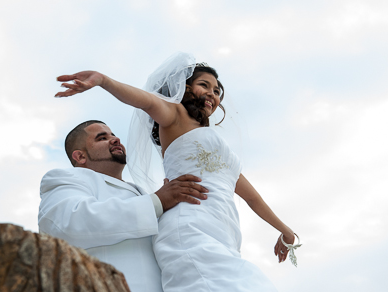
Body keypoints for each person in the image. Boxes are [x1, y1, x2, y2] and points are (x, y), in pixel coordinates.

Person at [55, 52, 301, 291]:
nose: (212, 94)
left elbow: (252, 197)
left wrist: (285, 231)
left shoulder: (223, 152)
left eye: (217, 91)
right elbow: (146, 100)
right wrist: (104, 81)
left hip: (223, 231)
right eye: (204, 85)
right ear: (183, 88)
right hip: (189, 225)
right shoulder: (175, 116)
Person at [38, 120, 209, 292]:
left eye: (113, 134)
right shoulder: (64, 179)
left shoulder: (143, 194)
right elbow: (68, 223)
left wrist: (171, 210)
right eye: (102, 138)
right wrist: (158, 201)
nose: (115, 139)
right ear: (80, 156)